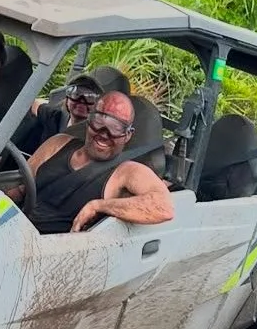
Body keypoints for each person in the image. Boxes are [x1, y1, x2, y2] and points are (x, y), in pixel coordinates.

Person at [15, 89, 173, 235]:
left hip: (57, 253)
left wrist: (99, 206)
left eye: (115, 127)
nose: (104, 134)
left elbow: (163, 207)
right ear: (89, 120)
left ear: (128, 135)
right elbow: (19, 185)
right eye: (99, 121)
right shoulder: (58, 144)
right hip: (14, 230)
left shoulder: (127, 171)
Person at [29, 64, 132, 146]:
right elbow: (32, 104)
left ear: (100, 106)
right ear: (67, 99)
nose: (81, 101)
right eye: (76, 93)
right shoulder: (54, 117)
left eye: (90, 97)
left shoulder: (99, 139)